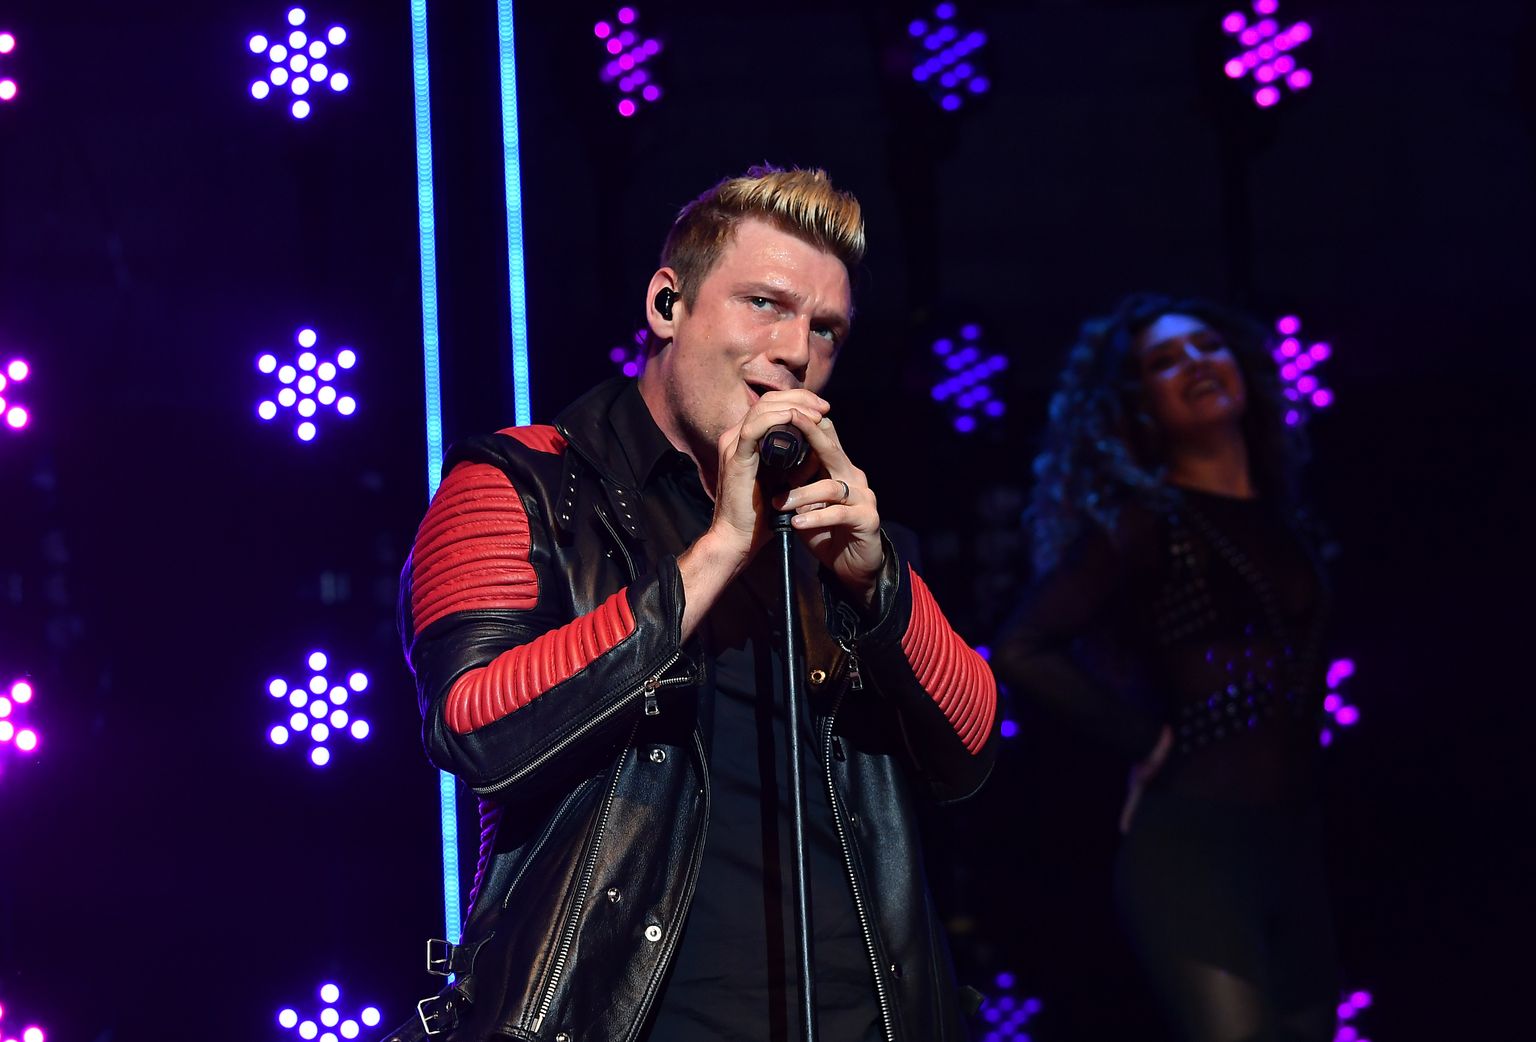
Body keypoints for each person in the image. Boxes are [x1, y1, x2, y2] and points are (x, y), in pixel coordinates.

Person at [393, 166, 997, 1042]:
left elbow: (971, 750)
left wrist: (880, 587)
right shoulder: (525, 485)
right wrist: (714, 553)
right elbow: (474, 726)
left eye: (826, 328)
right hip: (628, 1019)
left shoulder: (836, 524)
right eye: (764, 304)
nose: (796, 350)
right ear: (667, 304)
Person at [993, 293, 1339, 1042]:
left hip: (1297, 842)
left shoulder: (1289, 517)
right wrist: (1144, 738)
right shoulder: (1144, 523)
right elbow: (1022, 647)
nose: (1196, 364)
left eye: (1208, 346)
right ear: (1138, 402)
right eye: (1164, 361)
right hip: (1194, 844)